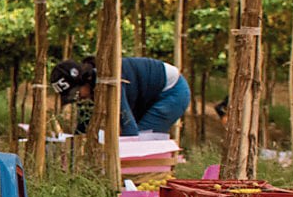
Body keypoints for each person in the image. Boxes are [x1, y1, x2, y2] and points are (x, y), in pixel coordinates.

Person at [50, 54, 191, 136]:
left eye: (76, 92)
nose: (78, 98)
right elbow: (83, 126)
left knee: (144, 139)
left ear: (84, 80)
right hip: (150, 93)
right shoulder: (90, 88)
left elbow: (129, 128)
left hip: (173, 90)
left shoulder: (110, 82)